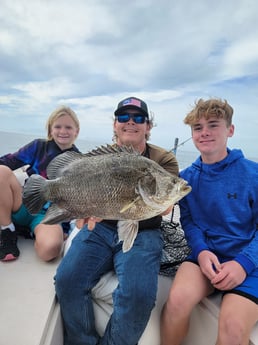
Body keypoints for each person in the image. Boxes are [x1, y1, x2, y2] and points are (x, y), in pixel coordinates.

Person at [55, 96, 179, 345]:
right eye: (123, 117)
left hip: (144, 231)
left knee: (139, 294)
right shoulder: (101, 160)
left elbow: (164, 200)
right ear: (115, 124)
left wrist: (167, 203)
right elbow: (87, 194)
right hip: (101, 226)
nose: (130, 122)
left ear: (148, 126)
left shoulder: (164, 160)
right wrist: (84, 209)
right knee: (67, 279)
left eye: (138, 118)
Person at [161, 98, 258, 345]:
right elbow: (190, 224)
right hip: (205, 257)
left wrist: (243, 264)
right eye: (197, 128)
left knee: (233, 328)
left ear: (230, 130)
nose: (204, 132)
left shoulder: (253, 174)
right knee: (177, 301)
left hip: (250, 263)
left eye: (213, 125)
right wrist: (202, 252)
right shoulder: (184, 180)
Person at [0, 105, 80, 262]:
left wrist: (63, 228)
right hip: (22, 203)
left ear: (76, 131)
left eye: (68, 127)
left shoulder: (81, 161)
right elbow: (9, 162)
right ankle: (7, 230)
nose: (63, 131)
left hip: (47, 216)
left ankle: (28, 231)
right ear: (50, 129)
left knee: (50, 250)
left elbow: (75, 201)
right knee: (1, 171)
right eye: (58, 126)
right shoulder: (38, 146)